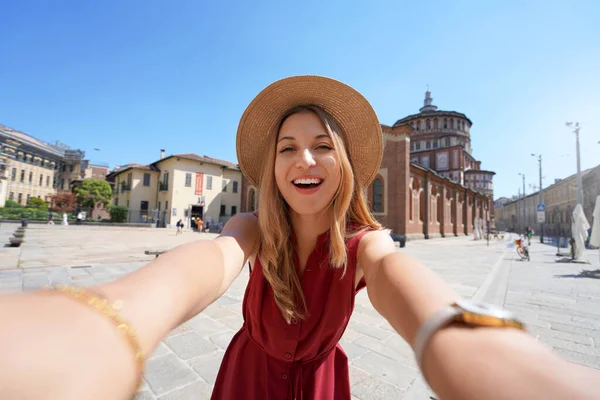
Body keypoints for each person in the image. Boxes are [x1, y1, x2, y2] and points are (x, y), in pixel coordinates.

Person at [0, 76, 598, 400]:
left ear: (343, 162)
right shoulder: (252, 227)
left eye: (321, 146)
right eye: (287, 147)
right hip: (246, 381)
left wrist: (482, 349)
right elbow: (205, 265)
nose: (303, 158)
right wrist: (109, 319)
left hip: (318, 386)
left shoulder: (366, 243)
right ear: (271, 168)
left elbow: (411, 290)